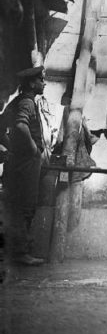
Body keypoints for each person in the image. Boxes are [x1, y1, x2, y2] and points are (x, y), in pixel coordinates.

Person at [1, 66, 48, 265]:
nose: (44, 83)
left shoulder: (17, 102)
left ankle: (17, 252)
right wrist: (33, 150)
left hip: (17, 162)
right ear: (32, 83)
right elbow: (20, 126)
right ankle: (21, 254)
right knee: (25, 206)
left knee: (16, 205)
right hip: (26, 164)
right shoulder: (27, 102)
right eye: (41, 80)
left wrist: (11, 147)